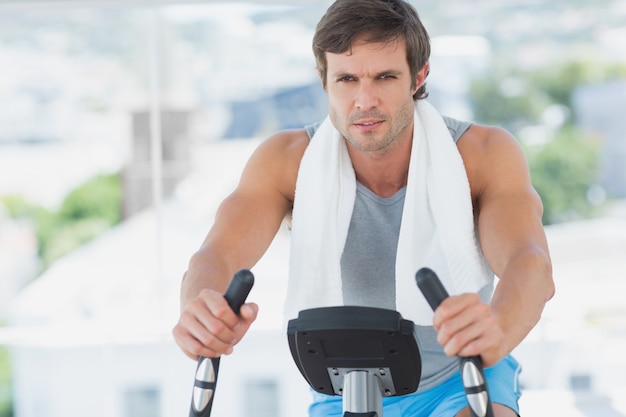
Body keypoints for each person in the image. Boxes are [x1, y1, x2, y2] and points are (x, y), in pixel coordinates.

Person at [173, 0, 555, 416]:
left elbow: (528, 263)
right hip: (341, 385)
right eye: (347, 79)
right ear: (324, 79)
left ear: (419, 75)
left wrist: (497, 327)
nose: (364, 100)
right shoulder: (284, 161)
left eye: (385, 76)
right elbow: (217, 255)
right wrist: (202, 308)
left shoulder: (483, 154)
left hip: (459, 376)